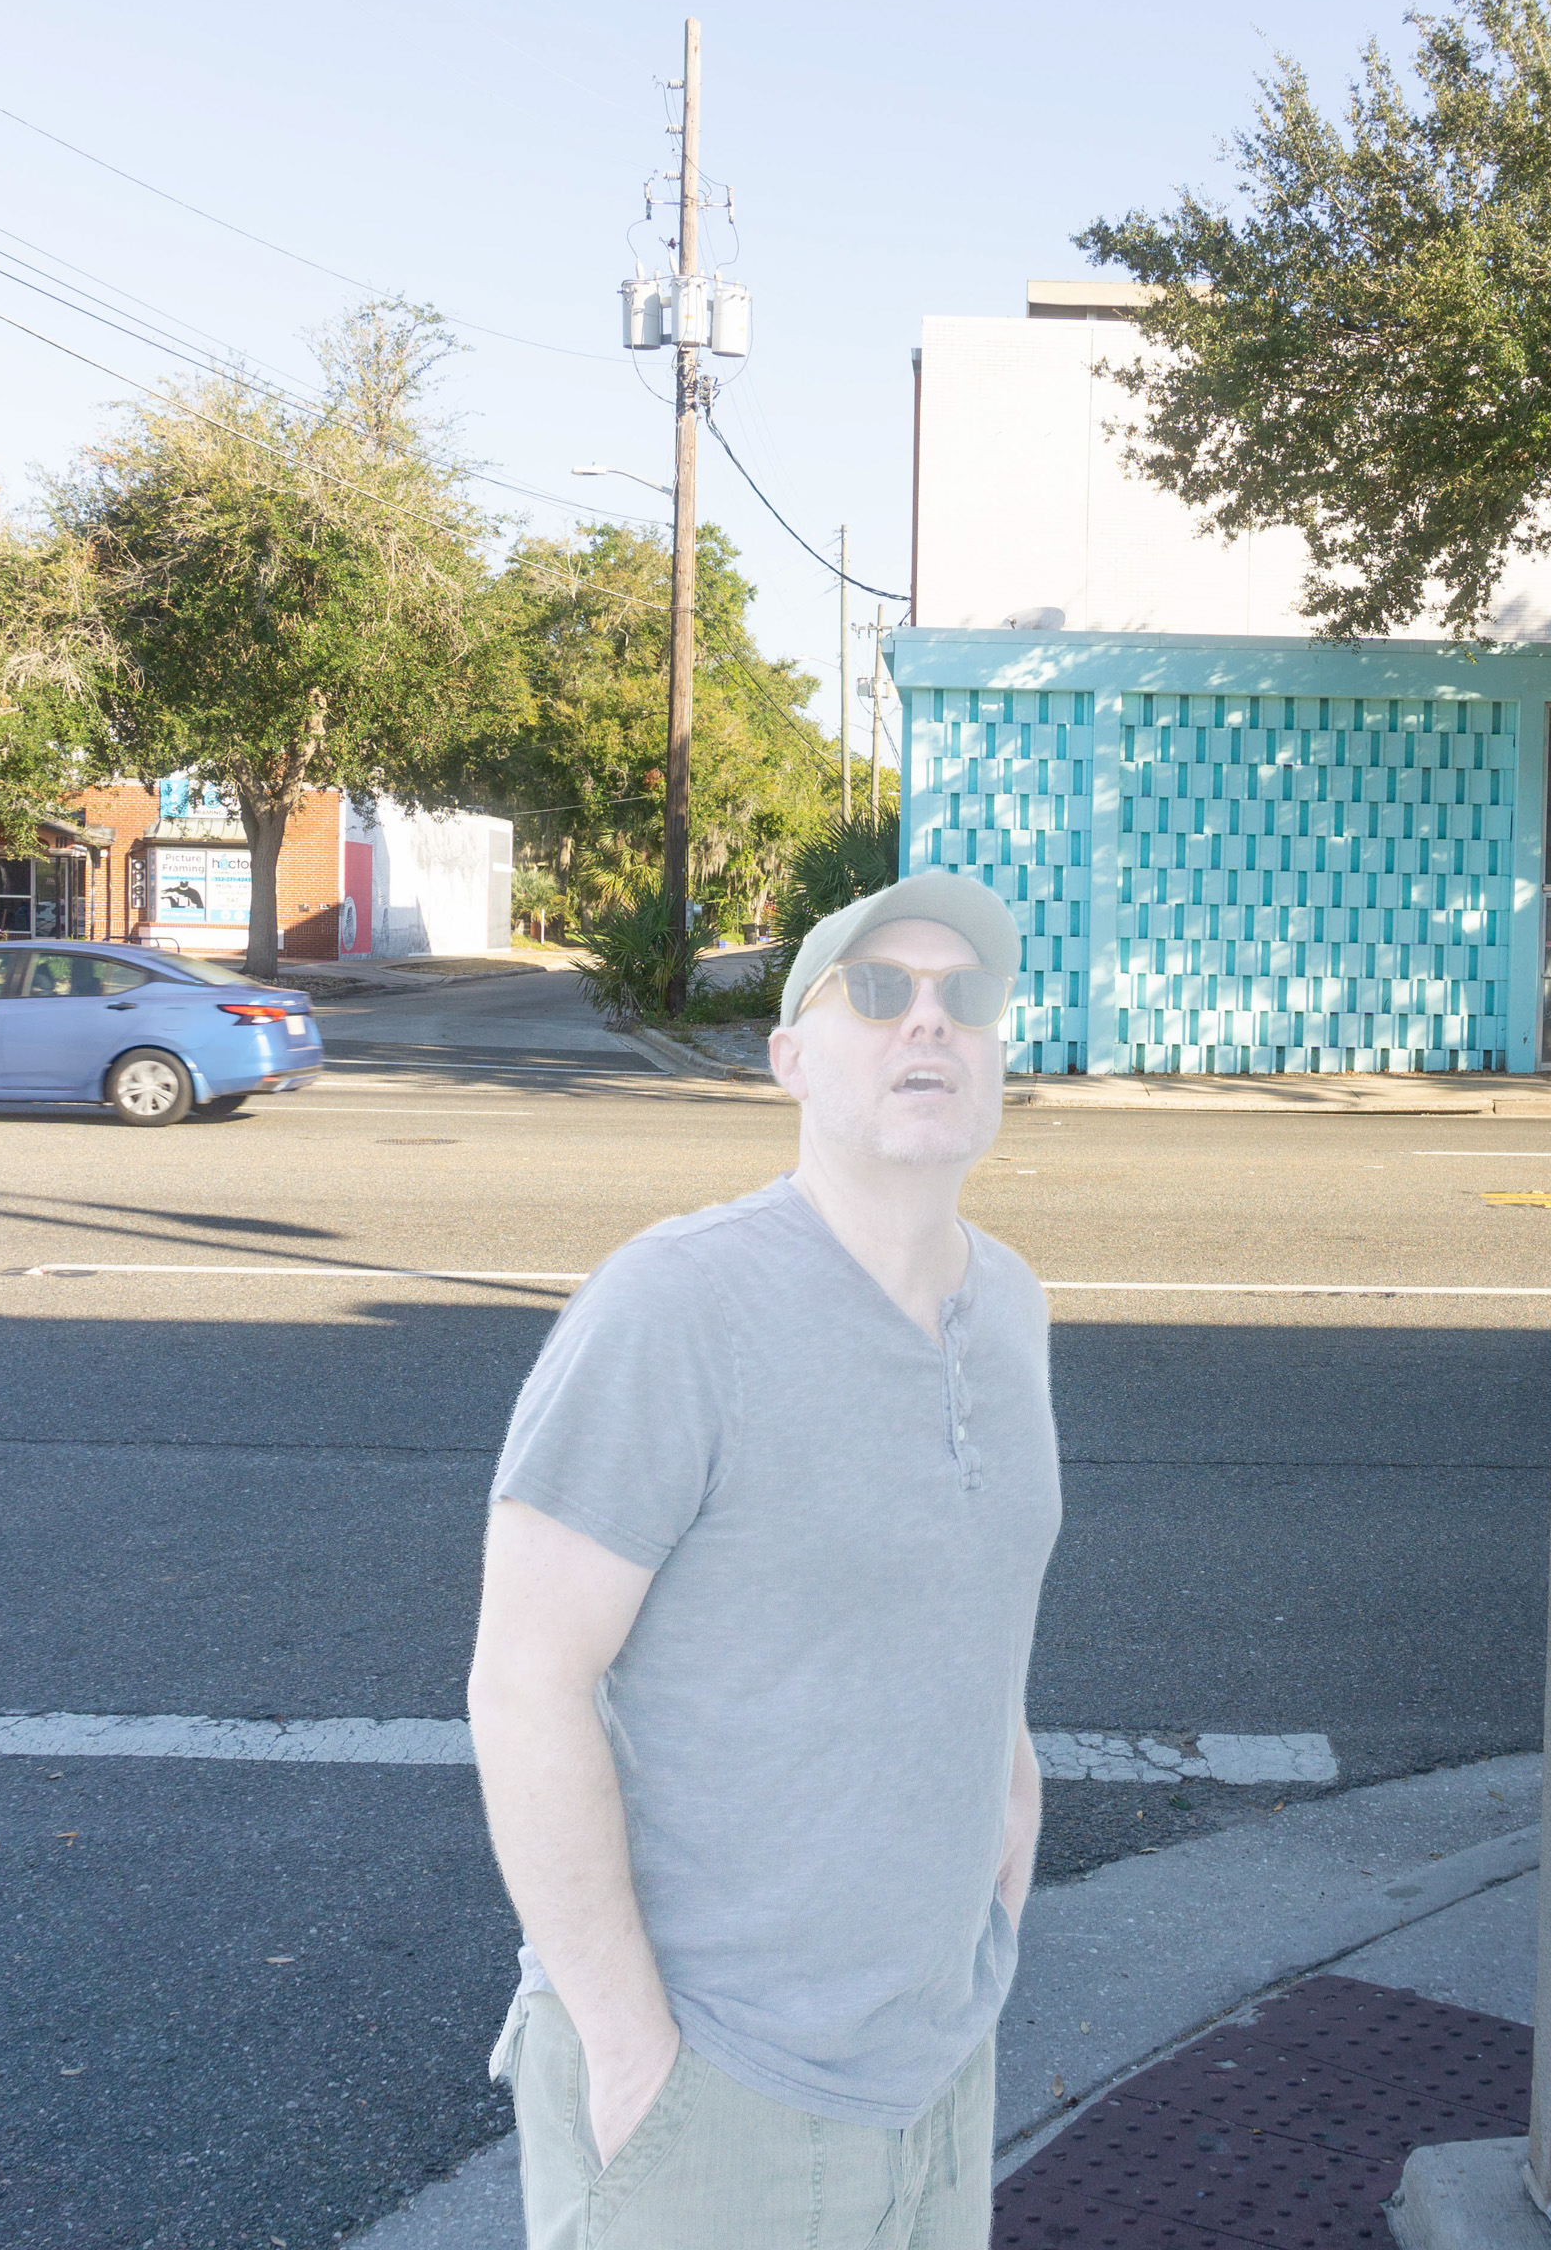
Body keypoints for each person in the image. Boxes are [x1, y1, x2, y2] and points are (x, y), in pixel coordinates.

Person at [469, 872, 1060, 2249]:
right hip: (715, 2085)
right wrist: (633, 2054)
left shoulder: (1012, 1306)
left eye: (966, 996)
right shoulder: (677, 1303)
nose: (930, 1021)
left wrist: (1009, 1836)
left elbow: (973, 1611)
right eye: (879, 991)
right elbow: (526, 1682)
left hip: (939, 2067)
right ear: (789, 1058)